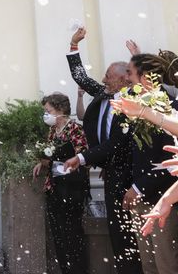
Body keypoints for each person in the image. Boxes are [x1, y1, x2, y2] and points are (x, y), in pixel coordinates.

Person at [62, 28, 142, 274]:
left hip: (129, 175)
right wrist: (74, 45)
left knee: (129, 233)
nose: (104, 79)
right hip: (111, 172)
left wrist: (82, 157)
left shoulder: (133, 102)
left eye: (108, 76)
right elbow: (81, 77)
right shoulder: (103, 93)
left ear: (122, 79)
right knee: (116, 230)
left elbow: (116, 143)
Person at [110, 53, 178, 273]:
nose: (127, 78)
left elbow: (167, 161)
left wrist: (140, 187)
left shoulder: (166, 107)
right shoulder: (137, 107)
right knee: (149, 267)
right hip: (142, 197)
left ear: (146, 76)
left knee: (166, 265)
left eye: (130, 72)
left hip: (162, 196)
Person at [33, 93, 89, 274]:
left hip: (71, 191)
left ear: (61, 110)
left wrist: (54, 163)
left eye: (48, 111)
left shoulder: (74, 129)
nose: (46, 115)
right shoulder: (52, 131)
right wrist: (40, 162)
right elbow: (48, 156)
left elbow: (82, 159)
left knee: (72, 235)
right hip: (54, 188)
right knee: (59, 236)